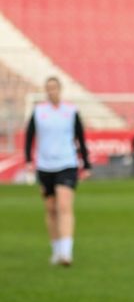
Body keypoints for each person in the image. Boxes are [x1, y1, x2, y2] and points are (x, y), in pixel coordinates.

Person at [25, 75, 91, 266]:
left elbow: (80, 137)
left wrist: (86, 164)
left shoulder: (70, 111)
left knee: (64, 206)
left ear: (60, 89)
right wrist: (29, 160)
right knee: (51, 209)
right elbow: (30, 136)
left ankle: (66, 252)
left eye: (54, 87)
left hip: (67, 163)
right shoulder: (38, 111)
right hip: (44, 166)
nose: (51, 91)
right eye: (48, 88)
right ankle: (55, 250)